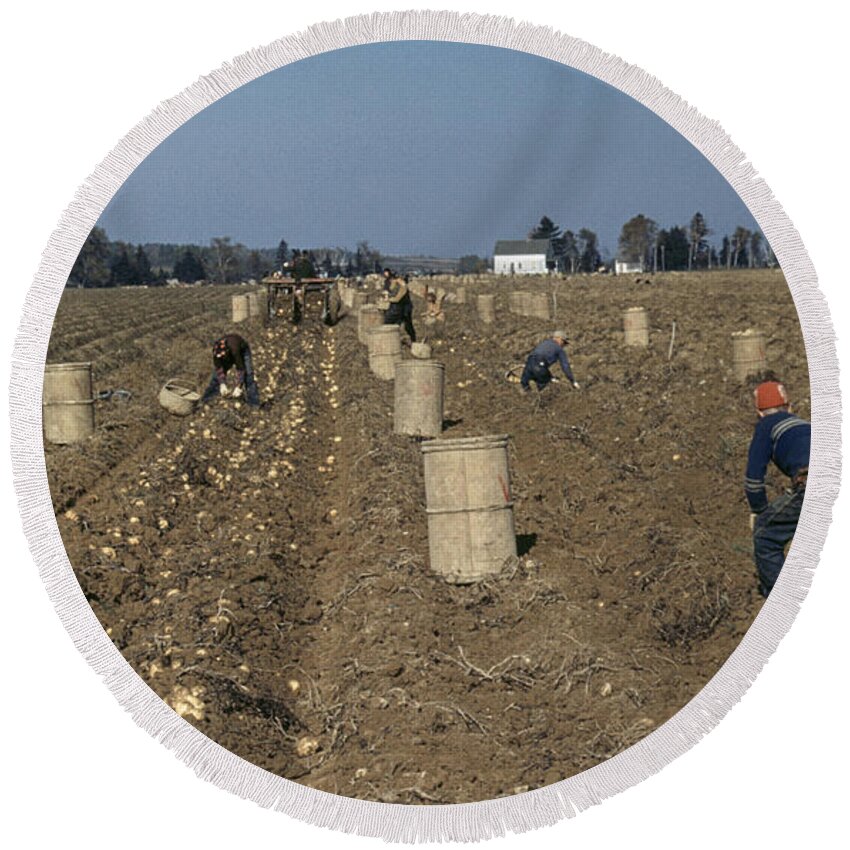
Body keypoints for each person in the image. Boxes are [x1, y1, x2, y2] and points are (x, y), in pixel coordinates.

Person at [745, 379, 810, 597]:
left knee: (765, 535)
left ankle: (782, 603)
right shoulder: (804, 425)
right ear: (790, 407)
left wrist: (758, 510)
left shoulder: (766, 426)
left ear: (759, 413)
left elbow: (754, 480)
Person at [201, 334, 260, 407]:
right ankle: (205, 401)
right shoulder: (216, 352)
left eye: (222, 356)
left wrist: (239, 386)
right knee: (216, 377)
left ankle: (254, 404)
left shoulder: (235, 350)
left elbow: (241, 368)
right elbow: (219, 368)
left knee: (248, 376)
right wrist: (222, 384)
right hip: (229, 352)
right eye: (220, 357)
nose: (221, 358)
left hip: (242, 351)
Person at [383, 274, 416, 342]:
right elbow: (393, 292)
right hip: (400, 309)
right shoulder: (398, 286)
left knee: (407, 326)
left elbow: (397, 298)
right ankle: (396, 340)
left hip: (404, 309)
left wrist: (388, 299)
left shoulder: (403, 287)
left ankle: (413, 340)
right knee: (399, 325)